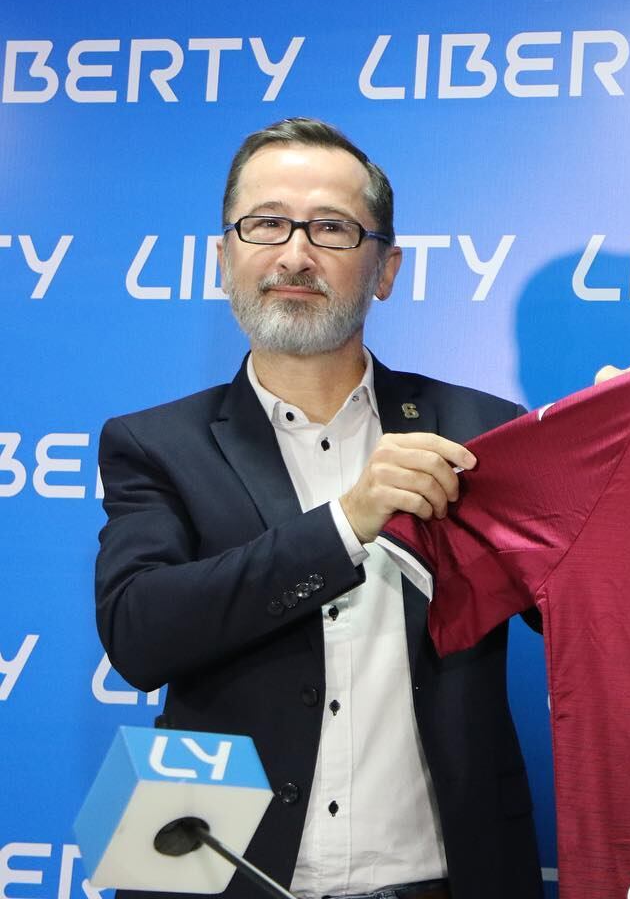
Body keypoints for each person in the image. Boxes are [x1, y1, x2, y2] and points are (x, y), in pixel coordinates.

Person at [94, 118, 543, 899]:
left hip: (442, 881)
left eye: (332, 228)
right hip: (228, 878)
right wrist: (347, 521)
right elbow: (140, 633)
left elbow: (597, 612)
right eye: (266, 223)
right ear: (222, 257)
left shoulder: (485, 434)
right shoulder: (156, 444)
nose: (295, 254)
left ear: (385, 269)